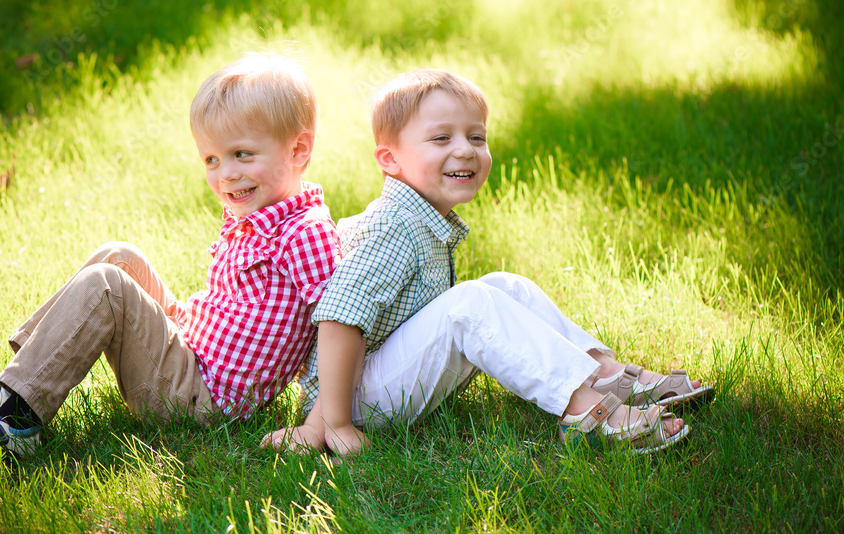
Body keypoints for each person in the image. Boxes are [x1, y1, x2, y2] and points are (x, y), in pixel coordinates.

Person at [263, 69, 712, 457]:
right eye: (441, 138)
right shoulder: (393, 225)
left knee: (504, 286)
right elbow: (340, 320)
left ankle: (610, 378)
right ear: (391, 160)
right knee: (471, 303)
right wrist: (331, 424)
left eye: (476, 137)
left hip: (373, 376)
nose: (465, 150)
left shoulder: (418, 215)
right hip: (355, 395)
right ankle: (585, 415)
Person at [0, 54, 342, 459]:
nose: (226, 175)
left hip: (201, 401)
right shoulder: (260, 213)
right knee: (120, 257)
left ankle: (17, 423)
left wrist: (317, 423)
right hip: (194, 353)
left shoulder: (305, 234)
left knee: (106, 287)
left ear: (298, 150)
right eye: (212, 160)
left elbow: (339, 330)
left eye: (242, 155)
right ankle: (12, 384)